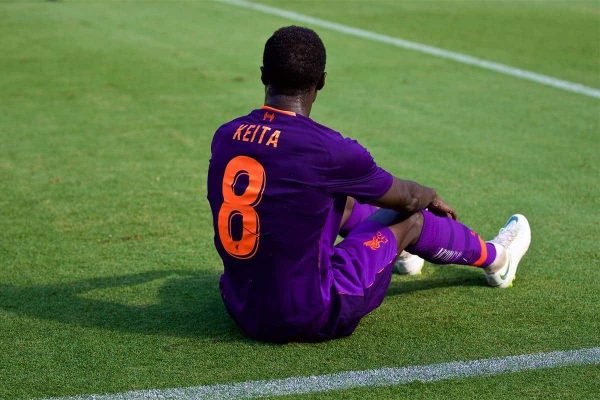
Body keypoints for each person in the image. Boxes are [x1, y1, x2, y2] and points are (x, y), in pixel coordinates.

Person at [207, 26, 531, 342]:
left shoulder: (225, 136)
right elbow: (407, 199)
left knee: (339, 202)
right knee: (411, 219)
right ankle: (497, 259)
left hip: (242, 308)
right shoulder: (328, 149)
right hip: (312, 314)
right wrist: (429, 195)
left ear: (264, 75)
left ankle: (400, 255)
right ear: (321, 81)